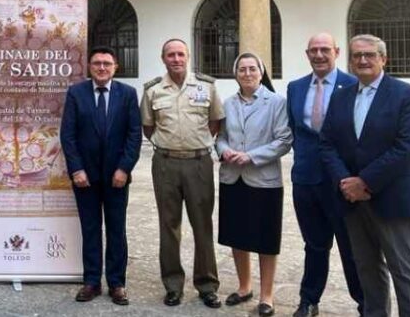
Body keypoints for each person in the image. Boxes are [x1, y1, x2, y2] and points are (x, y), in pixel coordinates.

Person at [319, 34, 410, 317]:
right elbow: (327, 143)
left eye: (369, 55)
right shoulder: (341, 96)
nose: (363, 60)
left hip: (393, 199)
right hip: (353, 202)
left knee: (405, 272)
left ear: (383, 59)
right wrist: (346, 182)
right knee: (367, 270)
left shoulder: (407, 94)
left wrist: (364, 181)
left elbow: (406, 148)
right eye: (357, 55)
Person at [140, 38, 224, 309]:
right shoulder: (153, 90)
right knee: (169, 226)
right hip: (165, 164)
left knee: (203, 225)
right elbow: (148, 128)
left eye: (180, 54)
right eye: (170, 55)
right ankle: (173, 285)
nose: (176, 59)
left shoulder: (206, 86)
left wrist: (193, 143)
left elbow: (214, 123)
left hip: (199, 163)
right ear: (163, 58)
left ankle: (207, 285)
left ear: (188, 56)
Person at [286, 33, 364, 317]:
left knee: (351, 246)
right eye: (313, 50)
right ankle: (309, 300)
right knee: (314, 245)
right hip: (305, 179)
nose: (319, 55)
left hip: (341, 180)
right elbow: (295, 129)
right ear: (307, 54)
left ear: (337, 52)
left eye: (324, 49)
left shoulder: (354, 84)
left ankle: (365, 303)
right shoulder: (295, 88)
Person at [60, 47, 142, 306]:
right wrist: (76, 169)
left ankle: (117, 283)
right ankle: (92, 281)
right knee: (91, 229)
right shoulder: (76, 93)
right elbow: (68, 135)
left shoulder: (127, 94)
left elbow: (134, 135)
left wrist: (124, 169)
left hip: (117, 177)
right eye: (97, 63)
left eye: (107, 63)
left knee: (117, 230)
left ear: (115, 67)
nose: (102, 67)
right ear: (89, 67)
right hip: (85, 177)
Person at [215, 53, 292, 317]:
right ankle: (244, 286)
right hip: (232, 177)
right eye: (242, 69)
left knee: (266, 239)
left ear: (261, 72)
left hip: (264, 180)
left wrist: (251, 156)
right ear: (235, 74)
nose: (247, 73)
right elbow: (220, 137)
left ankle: (266, 295)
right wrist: (225, 151)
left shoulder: (276, 102)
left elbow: (284, 140)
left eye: (252, 69)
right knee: (237, 235)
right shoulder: (228, 103)